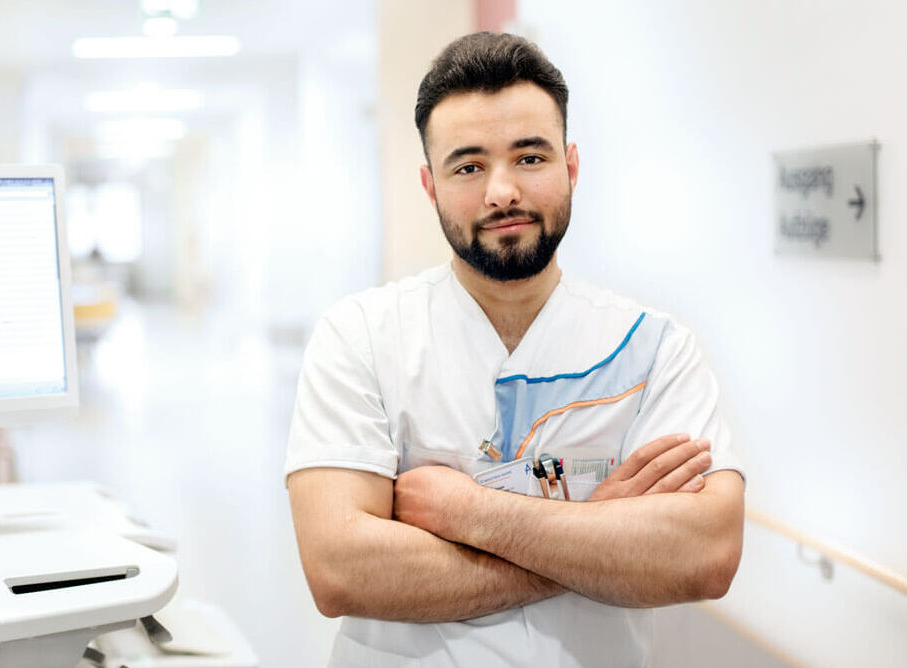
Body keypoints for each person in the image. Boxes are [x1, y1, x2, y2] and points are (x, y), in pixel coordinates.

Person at [284, 31, 745, 667]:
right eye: (468, 166)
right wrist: (595, 529)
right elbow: (340, 570)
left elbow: (704, 555)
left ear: (571, 166)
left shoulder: (655, 348)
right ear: (430, 186)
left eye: (530, 158)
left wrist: (467, 512)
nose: (502, 192)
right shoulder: (360, 336)